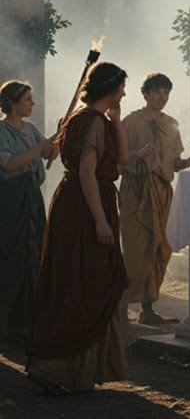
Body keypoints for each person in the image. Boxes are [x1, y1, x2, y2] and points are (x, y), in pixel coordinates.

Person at [27, 62, 131, 395]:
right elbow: (87, 172)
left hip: (77, 202)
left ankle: (73, 370)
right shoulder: (90, 123)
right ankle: (57, 368)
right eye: (122, 88)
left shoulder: (90, 120)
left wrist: (117, 121)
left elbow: (123, 162)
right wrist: (100, 220)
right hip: (86, 208)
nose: (124, 94)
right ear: (112, 88)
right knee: (82, 280)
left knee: (83, 278)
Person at [119, 73, 190, 325]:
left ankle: (148, 309)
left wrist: (188, 162)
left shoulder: (172, 124)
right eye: (157, 92)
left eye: (166, 92)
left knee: (161, 248)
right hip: (136, 190)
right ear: (145, 94)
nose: (162, 97)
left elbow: (174, 163)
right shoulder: (130, 122)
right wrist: (137, 154)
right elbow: (118, 159)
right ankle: (120, 309)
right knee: (135, 251)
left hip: (163, 190)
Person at [0, 81, 56, 350]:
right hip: (10, 200)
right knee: (10, 258)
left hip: (32, 198)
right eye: (27, 100)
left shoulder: (31, 129)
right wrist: (40, 148)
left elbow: (49, 152)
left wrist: (57, 139)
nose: (32, 104)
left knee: (33, 257)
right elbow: (10, 163)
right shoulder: (0, 130)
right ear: (12, 102)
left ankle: (27, 326)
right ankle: (5, 328)